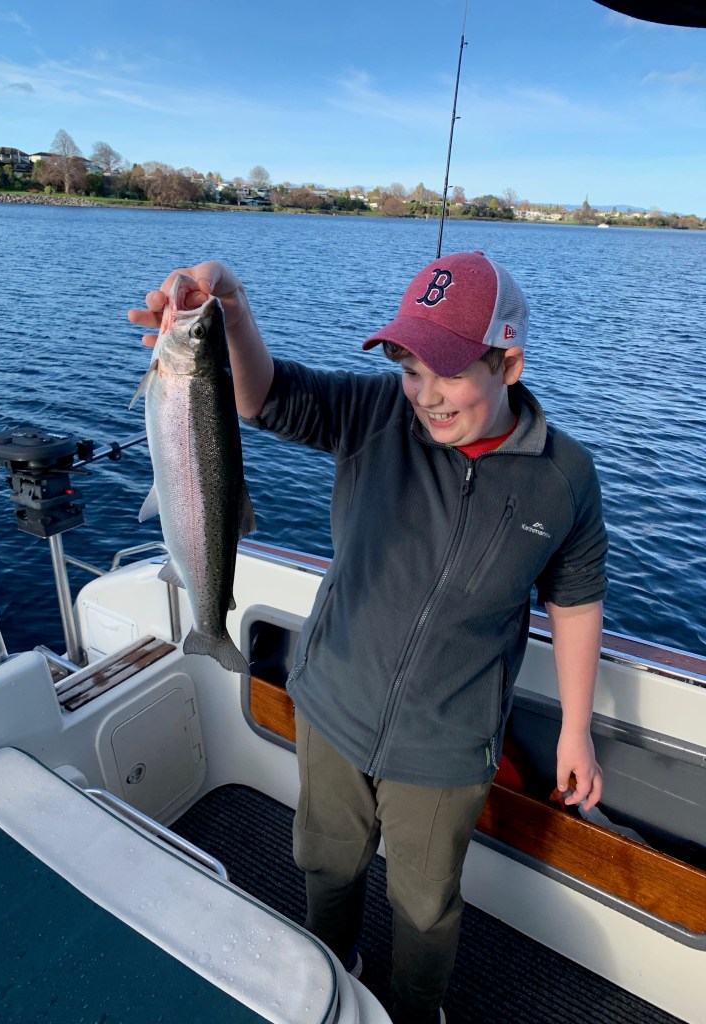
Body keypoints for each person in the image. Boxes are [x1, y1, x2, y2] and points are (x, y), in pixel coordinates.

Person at [129, 251, 606, 1024]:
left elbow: (578, 600)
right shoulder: (376, 415)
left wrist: (575, 732)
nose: (424, 396)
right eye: (409, 369)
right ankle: (331, 975)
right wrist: (234, 318)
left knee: (424, 906)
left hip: (448, 745)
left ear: (508, 361)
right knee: (325, 862)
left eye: (447, 373)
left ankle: (417, 1011)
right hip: (332, 703)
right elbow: (261, 396)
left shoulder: (565, 478)